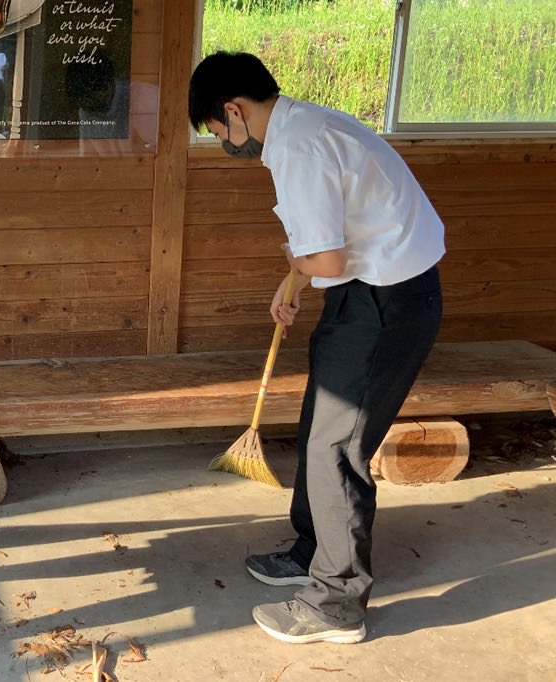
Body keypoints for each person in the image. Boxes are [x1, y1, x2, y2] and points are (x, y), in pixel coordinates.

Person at [188, 51, 444, 644]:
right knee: (319, 428)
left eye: (220, 131)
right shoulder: (309, 123)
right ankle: (313, 549)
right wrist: (295, 280)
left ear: (234, 109)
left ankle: (337, 602)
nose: (227, 143)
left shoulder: (297, 148)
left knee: (337, 448)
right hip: (372, 294)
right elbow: (331, 244)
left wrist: (300, 266)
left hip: (384, 303)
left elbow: (325, 256)